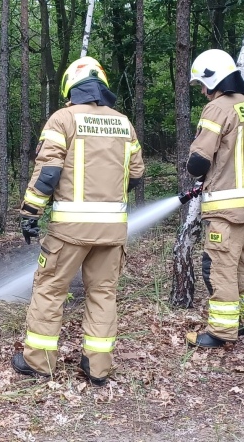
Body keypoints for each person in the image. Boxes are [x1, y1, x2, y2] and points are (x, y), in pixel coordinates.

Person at [12, 57, 145, 386]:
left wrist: (31, 212)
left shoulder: (63, 119)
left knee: (50, 290)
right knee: (103, 294)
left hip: (69, 232)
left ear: (71, 87)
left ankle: (40, 363)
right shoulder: (123, 123)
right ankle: (98, 368)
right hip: (112, 232)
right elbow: (137, 174)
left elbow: (48, 172)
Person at [183, 49, 244, 348]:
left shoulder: (218, 109)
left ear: (214, 78)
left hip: (227, 208)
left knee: (218, 266)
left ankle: (220, 331)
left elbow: (199, 160)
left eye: (203, 85)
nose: (204, 93)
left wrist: (196, 170)